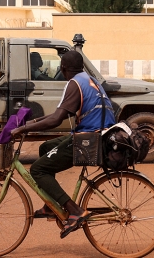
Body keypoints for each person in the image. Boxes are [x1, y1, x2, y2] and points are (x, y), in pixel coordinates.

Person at [11, 50, 115, 239]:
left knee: (38, 169)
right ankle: (51, 205)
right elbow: (60, 113)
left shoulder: (74, 84)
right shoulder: (88, 80)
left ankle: (74, 211)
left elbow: (56, 120)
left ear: (63, 68)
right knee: (45, 148)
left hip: (88, 139)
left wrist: (22, 130)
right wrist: (32, 124)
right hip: (100, 135)